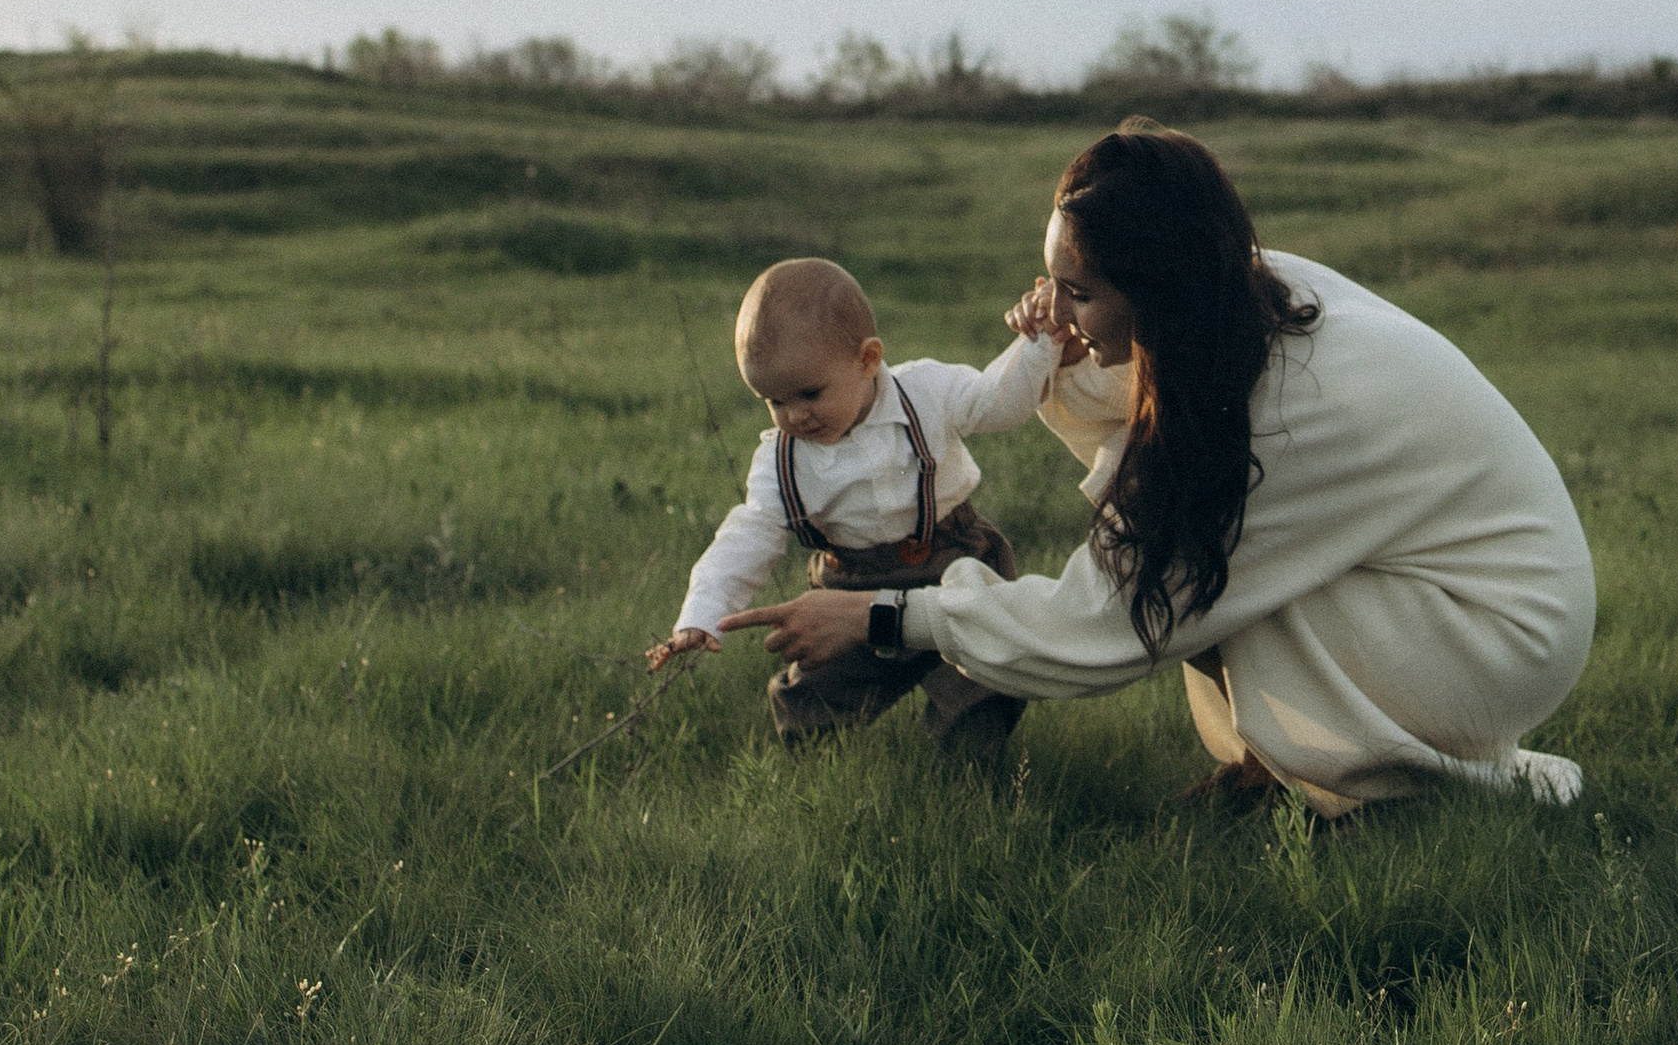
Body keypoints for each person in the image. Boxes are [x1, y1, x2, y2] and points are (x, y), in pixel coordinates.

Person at [724, 127, 1595, 817]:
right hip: (1449, 593)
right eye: (1051, 282)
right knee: (1203, 566)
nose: (1052, 308)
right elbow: (1134, 428)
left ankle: (1357, 792)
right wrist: (1058, 355)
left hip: (1502, 633)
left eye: (1080, 291)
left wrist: (880, 618)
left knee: (1200, 581)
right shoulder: (1245, 293)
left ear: (1154, 285)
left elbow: (1098, 623)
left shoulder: (1284, 409)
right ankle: (1280, 774)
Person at [649, 252, 1060, 754]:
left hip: (954, 562)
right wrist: (702, 611)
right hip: (849, 590)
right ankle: (826, 780)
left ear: (868, 359)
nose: (795, 416)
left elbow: (998, 400)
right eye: (774, 401)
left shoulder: (926, 392)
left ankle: (968, 774)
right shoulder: (780, 462)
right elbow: (747, 536)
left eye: (809, 393)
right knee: (811, 706)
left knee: (984, 682)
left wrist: (1041, 342)